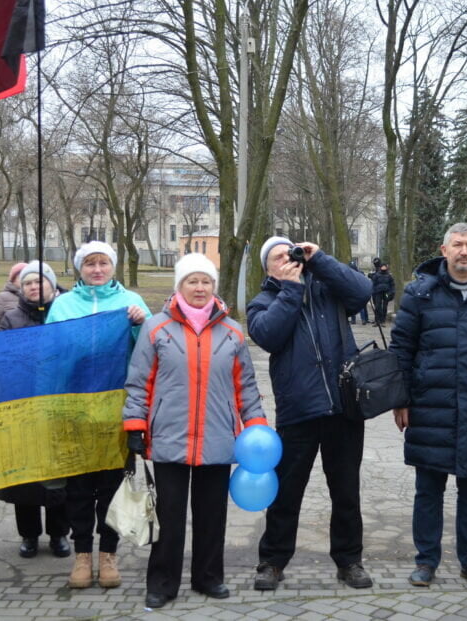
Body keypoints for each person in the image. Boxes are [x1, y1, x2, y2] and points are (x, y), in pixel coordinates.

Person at [123, 253, 267, 608]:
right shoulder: (156, 328)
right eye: (193, 281)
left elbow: (245, 386)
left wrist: (257, 429)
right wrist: (135, 425)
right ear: (179, 286)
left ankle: (208, 577)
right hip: (170, 437)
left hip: (218, 438)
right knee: (169, 519)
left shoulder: (232, 331)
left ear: (214, 287)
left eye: (206, 282)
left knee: (212, 516)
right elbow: (139, 382)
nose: (200, 288)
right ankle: (161, 583)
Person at [389, 223, 467, 587]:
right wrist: (401, 399)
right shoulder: (419, 294)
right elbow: (402, 349)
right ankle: (426, 561)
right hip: (431, 406)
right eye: (457, 245)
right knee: (428, 490)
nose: (464, 251)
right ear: (443, 250)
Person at [247, 236, 374, 591]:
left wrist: (321, 260)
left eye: (290, 253)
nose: (285, 259)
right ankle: (272, 561)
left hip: (343, 407)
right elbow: (269, 336)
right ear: (267, 269)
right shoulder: (262, 302)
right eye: (276, 258)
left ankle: (350, 561)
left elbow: (362, 291)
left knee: (346, 492)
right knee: (286, 493)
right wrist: (290, 290)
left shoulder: (327, 288)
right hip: (298, 410)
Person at [47, 241, 151, 589]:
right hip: (74, 412)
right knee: (77, 490)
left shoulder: (131, 303)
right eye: (89, 263)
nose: (96, 269)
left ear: (112, 266)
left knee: (110, 488)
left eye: (103, 263)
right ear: (80, 268)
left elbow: (148, 351)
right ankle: (82, 556)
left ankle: (109, 555)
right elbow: (50, 355)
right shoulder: (62, 306)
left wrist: (139, 324)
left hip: (115, 414)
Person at [0, 262, 72, 561]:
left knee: (58, 473)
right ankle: (28, 535)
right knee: (24, 475)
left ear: (52, 285)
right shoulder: (10, 318)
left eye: (40, 282)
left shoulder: (64, 315)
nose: (34, 287)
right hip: (22, 407)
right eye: (28, 283)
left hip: (57, 407)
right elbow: (0, 357)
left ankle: (58, 534)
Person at [0, 262, 27, 331]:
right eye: (21, 277)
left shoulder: (35, 298)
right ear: (13, 279)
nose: (24, 280)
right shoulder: (1, 298)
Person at [347, 259, 369, 325]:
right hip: (356, 291)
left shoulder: (350, 273)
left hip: (355, 291)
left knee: (356, 306)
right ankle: (362, 319)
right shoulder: (359, 273)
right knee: (359, 306)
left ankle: (358, 320)